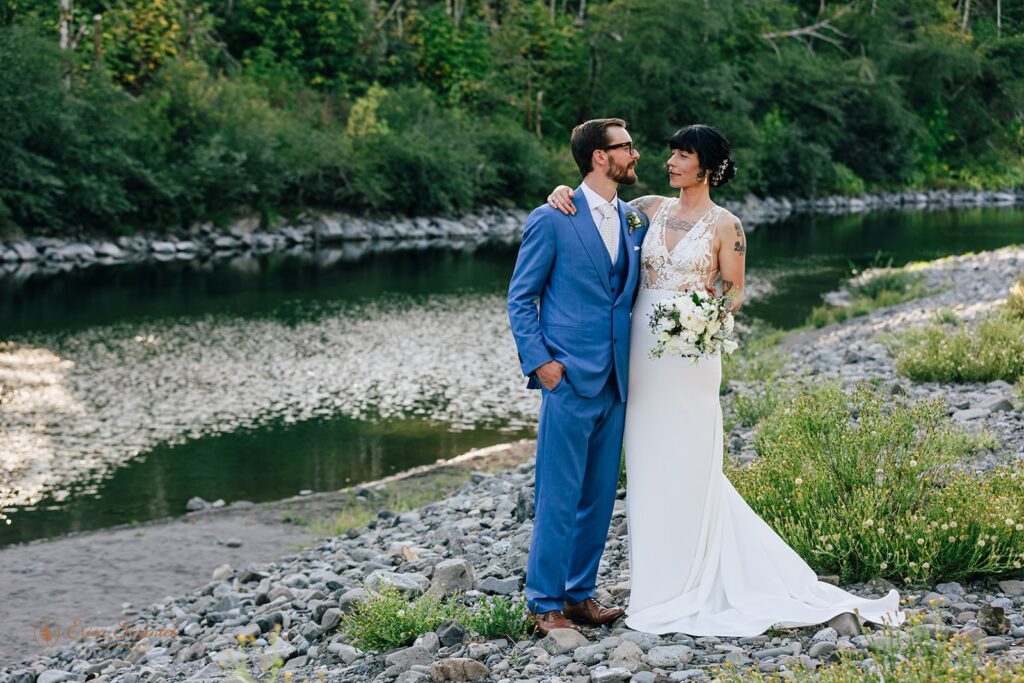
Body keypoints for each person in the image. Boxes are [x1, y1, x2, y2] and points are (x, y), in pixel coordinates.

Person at [542, 124, 905, 636]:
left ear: (707, 167)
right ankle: (658, 583)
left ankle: (698, 577)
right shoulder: (646, 207)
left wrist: (702, 317)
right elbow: (595, 207)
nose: (670, 161)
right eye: (670, 153)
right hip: (640, 357)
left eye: (682, 154)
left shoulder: (726, 225)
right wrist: (561, 192)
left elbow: (734, 292)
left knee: (689, 458)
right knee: (646, 462)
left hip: (689, 356)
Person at [507, 118, 650, 636]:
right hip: (567, 378)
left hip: (616, 379)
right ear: (599, 157)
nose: (635, 155)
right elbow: (521, 298)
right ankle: (543, 603)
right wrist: (542, 363)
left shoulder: (636, 219)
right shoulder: (551, 218)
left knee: (598, 495)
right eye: (626, 147)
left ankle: (578, 595)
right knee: (558, 493)